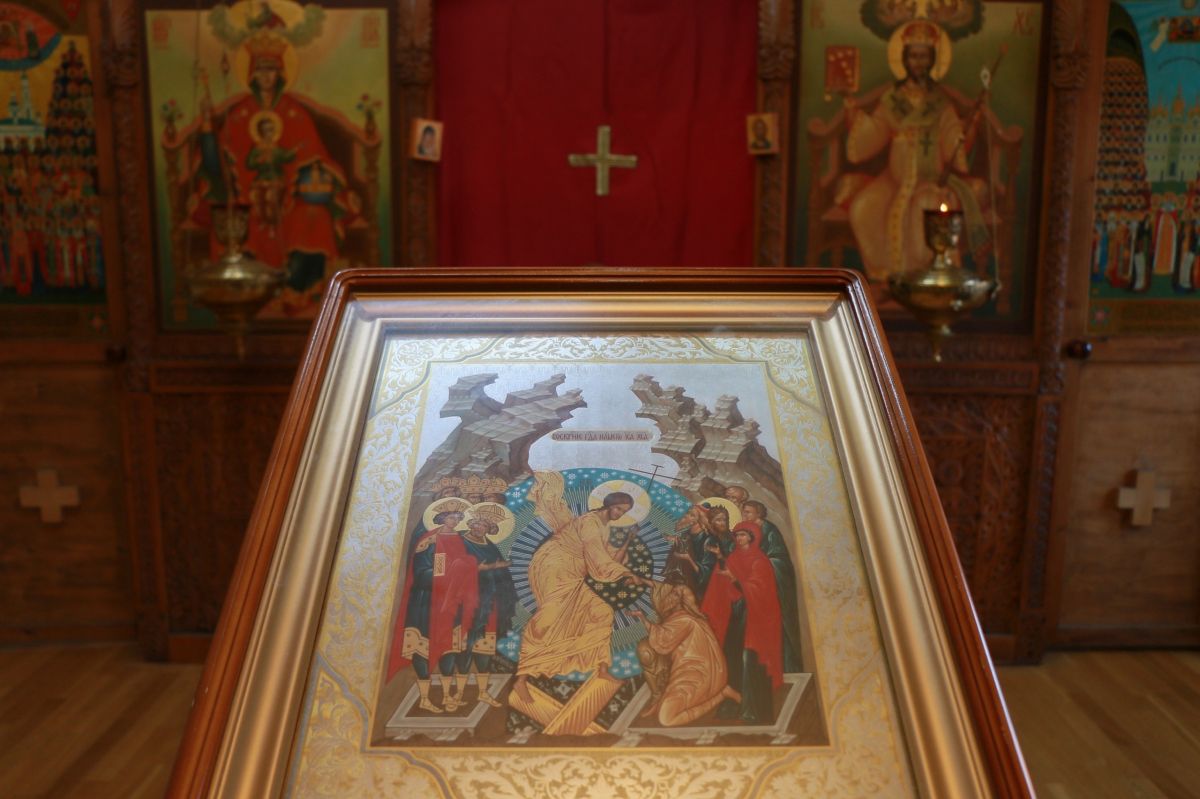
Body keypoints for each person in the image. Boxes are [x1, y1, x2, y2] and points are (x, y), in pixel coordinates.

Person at [188, 30, 357, 312]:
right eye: (261, 70)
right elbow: (218, 165)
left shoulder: (295, 114)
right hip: (248, 200)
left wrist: (312, 179)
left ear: (280, 74)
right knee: (230, 224)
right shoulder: (240, 114)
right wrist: (207, 127)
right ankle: (246, 296)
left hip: (290, 201)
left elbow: (316, 158)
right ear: (252, 75)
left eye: (272, 70)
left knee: (314, 217)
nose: (266, 76)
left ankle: (298, 289)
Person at [843, 19, 987, 280]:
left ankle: (919, 282)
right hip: (892, 181)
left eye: (924, 56)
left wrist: (968, 129)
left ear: (932, 60)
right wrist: (855, 117)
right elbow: (876, 131)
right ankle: (884, 277)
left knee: (923, 208)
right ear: (905, 59)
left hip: (929, 180)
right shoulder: (892, 100)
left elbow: (952, 142)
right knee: (863, 208)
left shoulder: (940, 102)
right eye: (913, 56)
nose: (918, 62)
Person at [511, 472, 653, 717]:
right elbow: (599, 562)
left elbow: (606, 558)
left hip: (574, 572)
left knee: (601, 611)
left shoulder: (602, 527)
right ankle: (521, 679)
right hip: (555, 565)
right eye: (619, 508)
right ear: (609, 504)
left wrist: (627, 543)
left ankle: (601, 669)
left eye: (624, 511)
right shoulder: (590, 522)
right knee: (548, 618)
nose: (620, 514)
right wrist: (629, 574)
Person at [386, 509, 478, 714]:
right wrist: (448, 574)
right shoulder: (428, 541)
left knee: (449, 648)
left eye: (458, 518)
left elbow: (462, 567)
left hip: (451, 603)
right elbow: (421, 573)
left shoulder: (458, 540)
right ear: (441, 518)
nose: (455, 521)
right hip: (427, 602)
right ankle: (425, 698)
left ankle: (446, 696)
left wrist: (465, 569)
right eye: (452, 517)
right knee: (422, 648)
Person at [701, 522, 783, 724]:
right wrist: (720, 559)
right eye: (737, 535)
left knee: (750, 660)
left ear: (752, 537)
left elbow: (760, 590)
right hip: (736, 617)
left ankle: (753, 711)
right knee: (731, 659)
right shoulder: (733, 558)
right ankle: (731, 707)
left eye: (743, 535)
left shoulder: (760, 561)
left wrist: (736, 580)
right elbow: (723, 580)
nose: (739, 538)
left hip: (754, 618)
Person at [631, 579, 740, 727]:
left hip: (698, 675)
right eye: (672, 592)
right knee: (667, 711)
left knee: (666, 719)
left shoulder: (685, 620)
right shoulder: (681, 617)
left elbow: (664, 640)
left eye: (676, 594)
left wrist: (643, 618)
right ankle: (719, 693)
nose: (670, 596)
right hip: (688, 671)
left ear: (681, 600)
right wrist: (637, 578)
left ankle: (721, 695)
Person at [458, 512, 516, 709]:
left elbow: (499, 568)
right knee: (465, 647)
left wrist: (501, 568)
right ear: (471, 524)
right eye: (478, 524)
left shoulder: (490, 546)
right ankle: (459, 692)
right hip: (468, 602)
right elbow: (454, 567)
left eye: (485, 526)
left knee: (484, 647)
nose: (480, 528)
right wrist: (488, 567)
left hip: (489, 602)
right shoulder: (461, 542)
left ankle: (483, 692)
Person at [740, 500, 803, 673]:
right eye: (744, 512)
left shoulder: (769, 530)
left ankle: (784, 669)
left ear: (758, 513)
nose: (744, 515)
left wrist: (760, 566)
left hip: (772, 588)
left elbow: (779, 559)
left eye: (748, 512)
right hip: (756, 589)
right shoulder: (747, 531)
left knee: (777, 629)